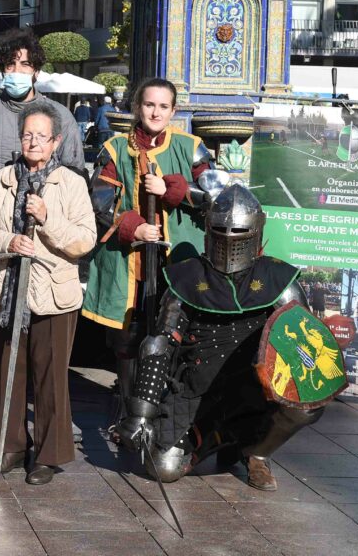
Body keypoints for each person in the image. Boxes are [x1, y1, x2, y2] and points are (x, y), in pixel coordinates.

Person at [116, 185, 326, 491]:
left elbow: (303, 344)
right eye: (220, 230)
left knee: (304, 405)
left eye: (238, 232)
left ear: (255, 232)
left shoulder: (279, 280)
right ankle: (219, 437)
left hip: (256, 387)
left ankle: (257, 453)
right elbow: (159, 344)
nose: (229, 240)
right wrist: (141, 414)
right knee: (163, 467)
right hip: (198, 388)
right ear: (208, 231)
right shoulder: (187, 278)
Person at [0, 28, 85, 436]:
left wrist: (48, 208)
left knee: (46, 335)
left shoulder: (60, 116)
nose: (17, 71)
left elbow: (75, 171)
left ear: (36, 69)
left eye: (24, 65)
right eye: (10, 64)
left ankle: (45, 420)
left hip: (47, 236)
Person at [0, 102, 96, 485]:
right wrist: (9, 242)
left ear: (56, 141)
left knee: (50, 377)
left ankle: (47, 454)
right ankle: (8, 447)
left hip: (53, 294)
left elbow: (84, 240)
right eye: (27, 135)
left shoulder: (71, 183)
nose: (34, 142)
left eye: (42, 136)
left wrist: (47, 219)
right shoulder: (2, 179)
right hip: (7, 290)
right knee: (6, 371)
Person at [83, 78, 210, 430]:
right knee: (127, 335)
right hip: (130, 260)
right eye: (149, 104)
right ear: (138, 107)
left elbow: (214, 194)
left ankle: (165, 409)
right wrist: (132, 226)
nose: (155, 112)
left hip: (177, 260)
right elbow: (99, 201)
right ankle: (128, 410)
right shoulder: (114, 149)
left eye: (163, 106)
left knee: (172, 331)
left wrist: (174, 189)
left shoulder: (191, 147)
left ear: (173, 111)